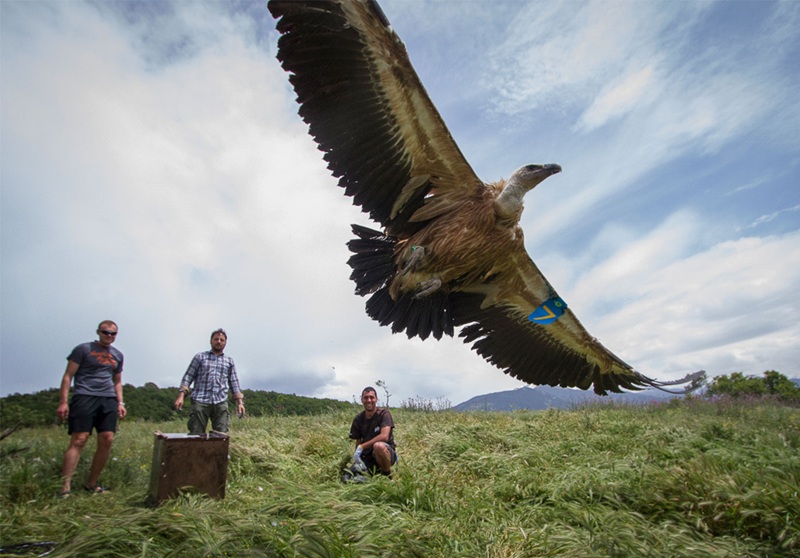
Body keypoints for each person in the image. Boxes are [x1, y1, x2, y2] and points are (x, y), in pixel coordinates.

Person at [56, 320, 126, 497]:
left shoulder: (118, 355)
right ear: (98, 332)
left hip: (108, 399)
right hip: (84, 396)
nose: (109, 336)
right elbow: (68, 376)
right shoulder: (83, 349)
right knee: (79, 439)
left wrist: (120, 403)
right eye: (105, 332)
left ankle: (92, 483)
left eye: (112, 333)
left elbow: (117, 381)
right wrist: (63, 402)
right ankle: (65, 487)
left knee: (107, 439)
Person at [174, 328, 245, 434]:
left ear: (225, 343)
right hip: (200, 400)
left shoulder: (229, 361)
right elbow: (188, 377)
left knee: (222, 435)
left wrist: (240, 403)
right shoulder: (200, 357)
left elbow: (234, 382)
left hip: (220, 401)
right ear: (211, 341)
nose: (219, 342)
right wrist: (181, 396)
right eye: (216, 339)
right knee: (196, 434)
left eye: (222, 340)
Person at [349, 386, 397, 476]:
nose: (369, 400)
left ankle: (387, 474)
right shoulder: (358, 419)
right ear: (362, 400)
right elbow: (358, 441)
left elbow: (384, 436)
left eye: (372, 397)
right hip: (368, 455)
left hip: (386, 453)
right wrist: (357, 457)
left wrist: (362, 447)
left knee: (378, 446)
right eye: (366, 398)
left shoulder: (384, 414)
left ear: (376, 399)